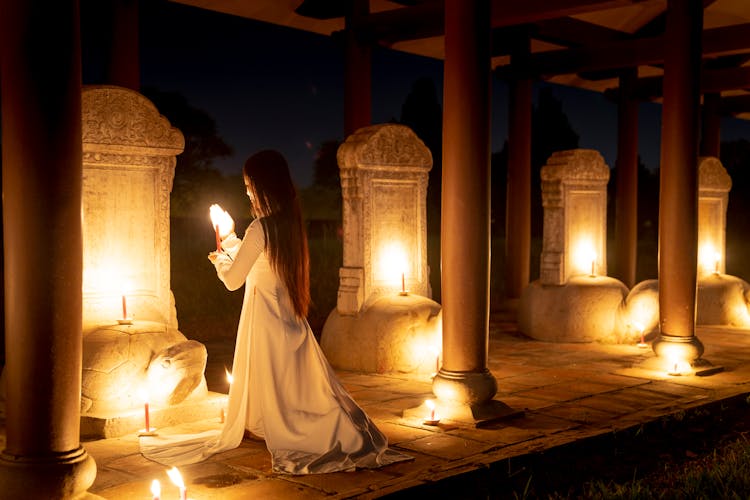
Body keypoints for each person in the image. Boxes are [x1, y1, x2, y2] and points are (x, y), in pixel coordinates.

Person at [140, 150, 410, 474]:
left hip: (265, 318)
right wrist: (230, 238)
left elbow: (233, 280)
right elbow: (263, 263)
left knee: (270, 374)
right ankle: (267, 422)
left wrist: (220, 260)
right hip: (288, 317)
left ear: (262, 186)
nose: (247, 191)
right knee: (290, 384)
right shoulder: (289, 224)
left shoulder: (260, 227)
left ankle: (276, 427)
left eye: (249, 184)